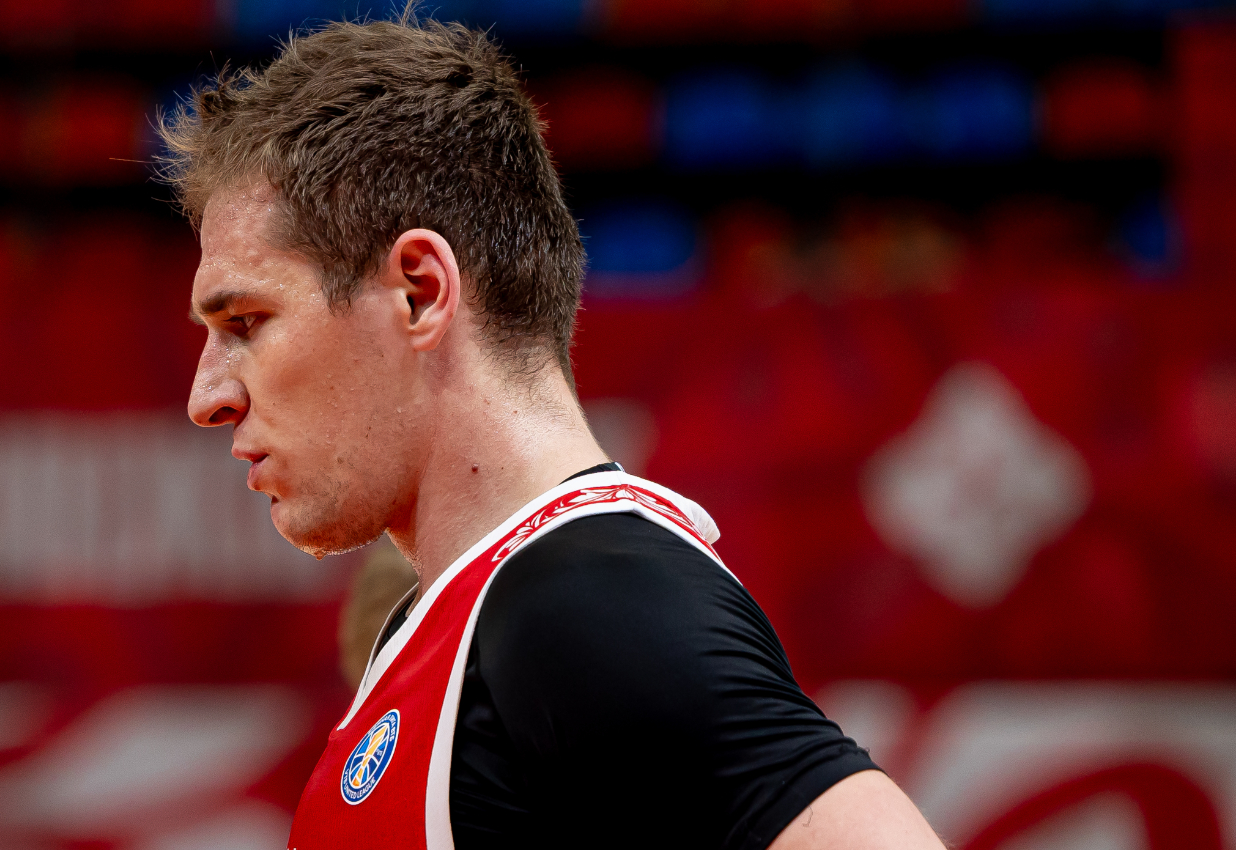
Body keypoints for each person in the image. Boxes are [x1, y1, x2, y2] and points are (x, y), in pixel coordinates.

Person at [162, 19, 946, 850]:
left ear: (419, 292)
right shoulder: (485, 612)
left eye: (246, 321)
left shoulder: (585, 601)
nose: (207, 396)